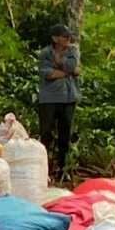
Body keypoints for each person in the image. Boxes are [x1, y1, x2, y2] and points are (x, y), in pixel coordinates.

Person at [35, 25, 81, 177]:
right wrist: (68, 72)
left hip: (69, 98)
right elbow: (46, 73)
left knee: (65, 133)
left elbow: (72, 65)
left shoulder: (72, 50)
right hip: (49, 99)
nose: (67, 38)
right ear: (55, 38)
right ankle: (43, 169)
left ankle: (63, 168)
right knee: (46, 133)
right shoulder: (45, 53)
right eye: (63, 36)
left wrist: (59, 64)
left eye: (68, 36)